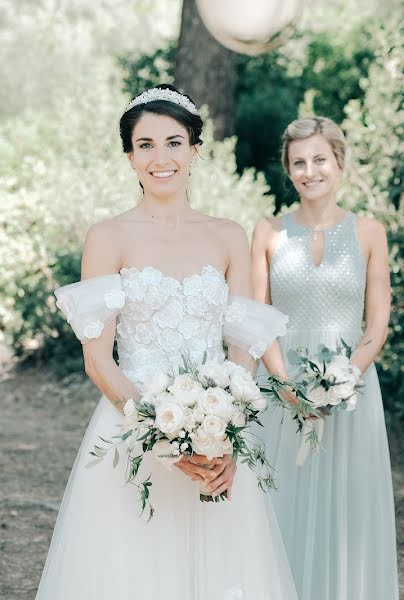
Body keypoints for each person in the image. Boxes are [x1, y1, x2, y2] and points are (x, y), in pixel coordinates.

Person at [34, 84, 297, 599]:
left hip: (217, 432)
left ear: (195, 150)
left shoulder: (226, 234)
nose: (161, 158)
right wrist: (165, 439)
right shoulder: (108, 237)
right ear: (130, 156)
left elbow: (241, 343)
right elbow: (98, 360)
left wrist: (224, 430)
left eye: (174, 142)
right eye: (146, 144)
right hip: (132, 425)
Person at [252, 116, 398, 599]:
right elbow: (260, 318)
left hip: (352, 390)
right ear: (287, 170)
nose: (309, 170)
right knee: (281, 502)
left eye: (319, 159)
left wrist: (343, 381)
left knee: (347, 509)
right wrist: (287, 385)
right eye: (299, 162)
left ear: (339, 163)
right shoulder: (268, 232)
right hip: (282, 387)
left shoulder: (370, 231)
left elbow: (376, 323)